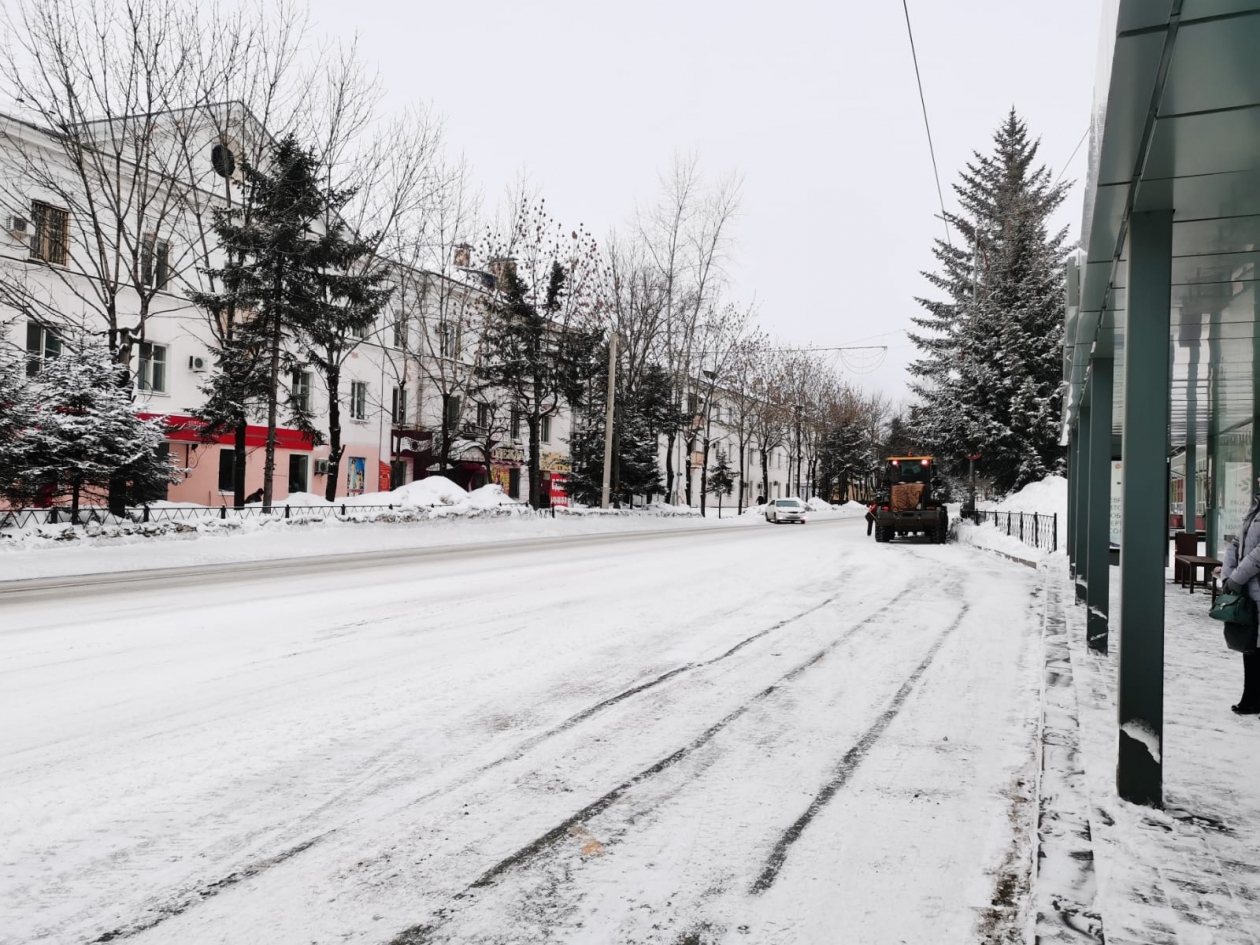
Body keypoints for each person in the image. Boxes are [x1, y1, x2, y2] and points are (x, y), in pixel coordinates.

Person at [1219, 476, 1260, 715]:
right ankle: (1250, 697)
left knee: (1255, 646)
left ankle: (1253, 699)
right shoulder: (1255, 509)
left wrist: (1236, 577)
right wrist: (1228, 574)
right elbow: (1237, 543)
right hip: (1248, 588)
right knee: (1249, 644)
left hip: (1251, 583)